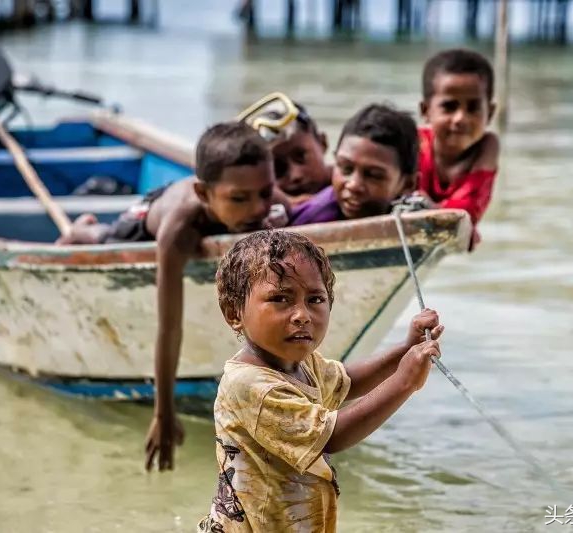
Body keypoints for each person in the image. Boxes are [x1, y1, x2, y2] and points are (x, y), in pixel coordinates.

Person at [56, 121, 286, 472]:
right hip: (143, 222)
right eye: (239, 199)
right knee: (106, 240)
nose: (257, 208)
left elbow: (284, 201)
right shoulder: (178, 231)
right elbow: (169, 327)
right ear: (204, 193)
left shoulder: (256, 193)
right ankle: (81, 229)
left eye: (266, 193)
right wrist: (164, 413)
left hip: (187, 200)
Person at [198, 230, 444, 532]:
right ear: (234, 313)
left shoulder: (300, 362)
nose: (302, 314)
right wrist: (404, 382)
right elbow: (331, 437)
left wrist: (404, 349)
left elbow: (347, 382)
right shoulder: (249, 385)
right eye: (280, 298)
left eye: (315, 299)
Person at [417, 48, 500, 249]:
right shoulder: (414, 144)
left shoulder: (487, 147)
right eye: (449, 106)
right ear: (425, 111)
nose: (461, 118)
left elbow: (466, 212)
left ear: (490, 113)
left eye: (473, 108)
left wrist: (429, 207)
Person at [288, 103, 419, 226]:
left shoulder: (420, 220)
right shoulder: (310, 221)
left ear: (408, 184)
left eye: (373, 175)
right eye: (346, 169)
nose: (354, 185)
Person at [257, 101, 333, 206]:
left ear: (322, 143)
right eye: (277, 167)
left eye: (300, 156)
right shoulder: (261, 206)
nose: (295, 176)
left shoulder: (354, 185)